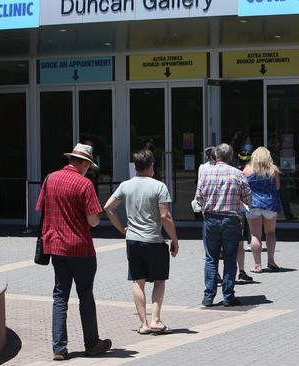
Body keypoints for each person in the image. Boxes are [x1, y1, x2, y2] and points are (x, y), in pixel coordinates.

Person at [36, 143, 112, 361]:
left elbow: (41, 208)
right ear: (85, 163)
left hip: (56, 247)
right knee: (85, 296)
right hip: (81, 248)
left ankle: (59, 347)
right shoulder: (84, 184)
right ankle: (92, 343)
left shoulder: (50, 179)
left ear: (71, 159)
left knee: (60, 296)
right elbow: (93, 221)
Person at [104, 149, 179, 335]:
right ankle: (156, 319)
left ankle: (143, 324)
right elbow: (165, 216)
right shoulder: (159, 186)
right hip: (154, 240)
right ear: (152, 165)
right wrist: (175, 239)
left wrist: (122, 229)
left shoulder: (126, 185)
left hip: (133, 240)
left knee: (138, 281)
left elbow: (108, 207)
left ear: (135, 167)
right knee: (159, 280)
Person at [195, 143, 252, 307]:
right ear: (230, 157)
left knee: (211, 258)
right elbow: (248, 198)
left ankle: (208, 296)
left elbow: (198, 198)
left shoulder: (206, 173)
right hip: (231, 220)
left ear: (216, 156)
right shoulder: (238, 174)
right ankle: (228, 296)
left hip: (211, 219)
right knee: (230, 257)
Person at [244, 147, 282, 273]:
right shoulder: (273, 170)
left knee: (255, 235)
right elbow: (277, 187)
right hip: (270, 205)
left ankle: (257, 265)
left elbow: (244, 188)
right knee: (270, 233)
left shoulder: (247, 170)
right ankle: (271, 261)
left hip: (253, 205)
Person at [236, 149, 255, 283]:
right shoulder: (248, 171)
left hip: (239, 205)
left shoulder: (239, 170)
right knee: (241, 237)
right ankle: (241, 271)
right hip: (243, 205)